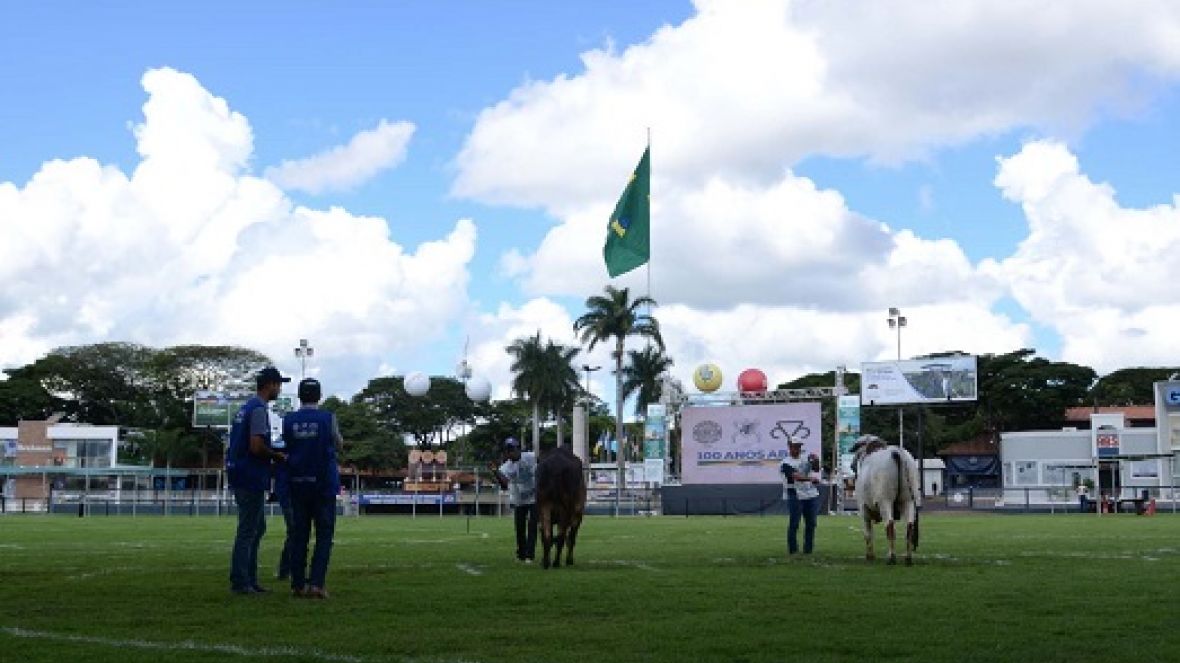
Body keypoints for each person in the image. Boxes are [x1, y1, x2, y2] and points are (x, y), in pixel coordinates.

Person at [227, 366, 289, 595]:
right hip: (249, 474)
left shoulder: (246, 407)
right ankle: (241, 581)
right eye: (278, 384)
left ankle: (249, 579)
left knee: (256, 527)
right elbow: (256, 446)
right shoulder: (259, 410)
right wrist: (276, 456)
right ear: (270, 385)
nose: (279, 389)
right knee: (248, 529)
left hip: (240, 471)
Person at [282, 378, 343, 599]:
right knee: (324, 536)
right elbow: (338, 443)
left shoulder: (289, 420)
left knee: (299, 536)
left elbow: (286, 445)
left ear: (299, 396)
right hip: (323, 485)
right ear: (319, 396)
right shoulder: (328, 418)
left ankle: (297, 585)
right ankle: (316, 584)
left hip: (297, 483)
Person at [490, 438, 537, 562]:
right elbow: (504, 484)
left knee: (532, 526)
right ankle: (521, 553)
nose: (511, 453)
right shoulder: (506, 467)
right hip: (519, 499)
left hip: (534, 496)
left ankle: (529, 555)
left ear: (518, 449)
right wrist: (496, 472)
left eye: (513, 449)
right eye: (508, 450)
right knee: (520, 527)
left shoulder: (531, 457)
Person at [780, 439, 820, 555]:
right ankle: (793, 550)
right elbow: (795, 477)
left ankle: (808, 550)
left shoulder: (805, 458)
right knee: (794, 523)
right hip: (795, 494)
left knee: (811, 523)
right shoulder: (785, 463)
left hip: (810, 494)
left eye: (798, 446)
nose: (797, 449)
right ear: (789, 447)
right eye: (794, 446)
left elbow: (816, 469)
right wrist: (810, 479)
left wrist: (816, 460)